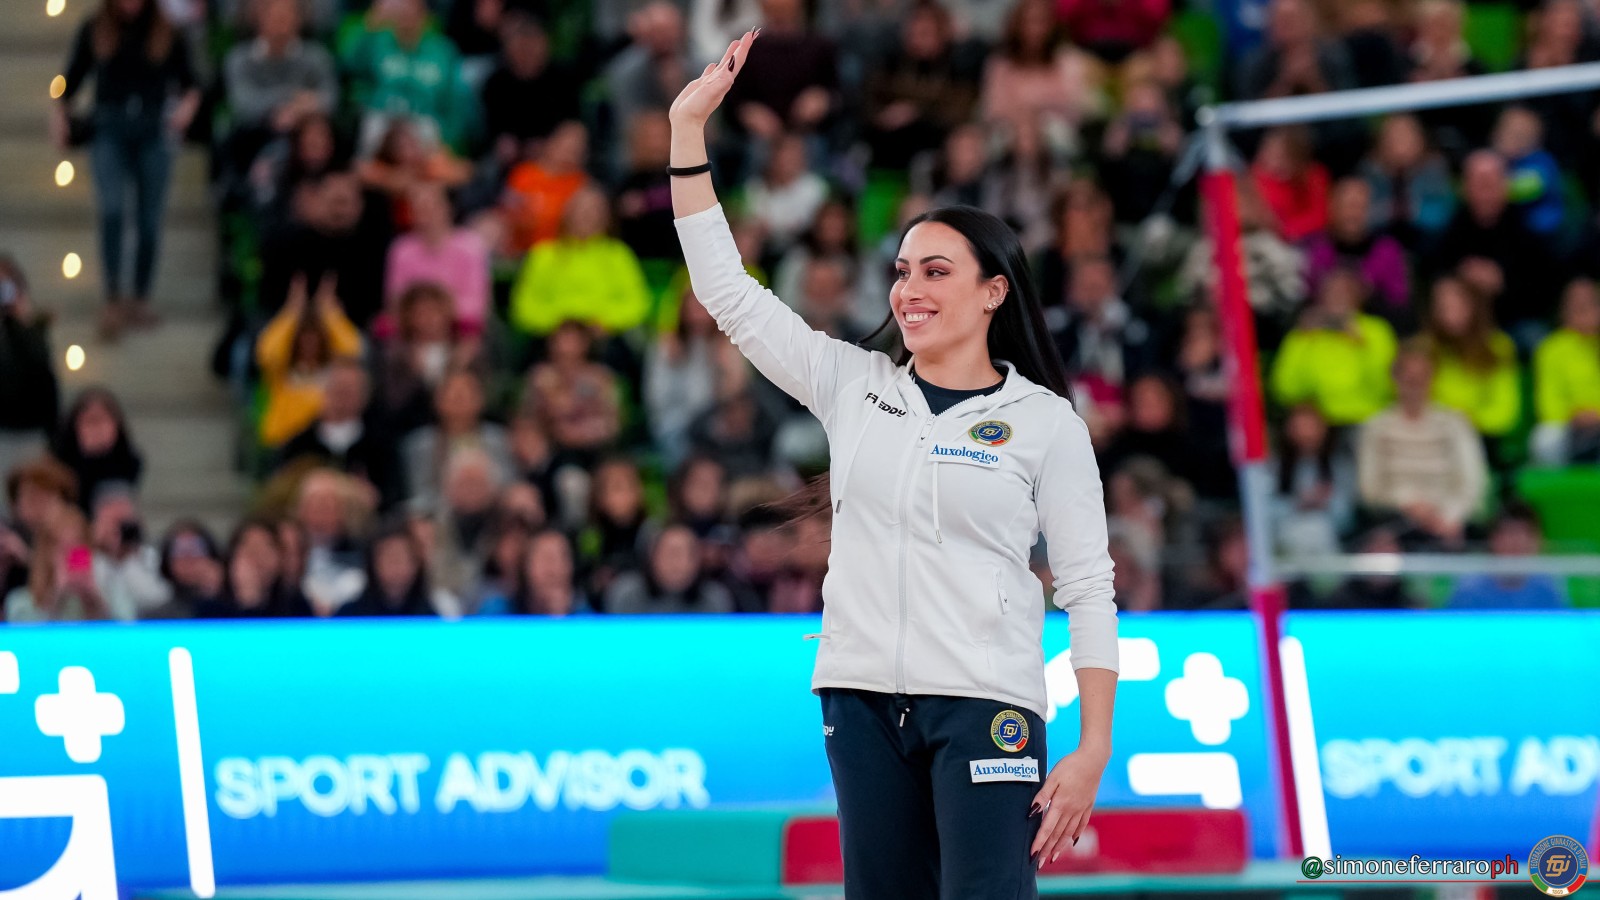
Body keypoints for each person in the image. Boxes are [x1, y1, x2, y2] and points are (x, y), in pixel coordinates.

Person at [669, 32, 1117, 896]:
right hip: (859, 700)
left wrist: (1093, 747)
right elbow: (727, 293)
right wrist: (688, 133)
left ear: (993, 292)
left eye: (937, 272)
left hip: (988, 705)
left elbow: (1088, 587)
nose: (909, 289)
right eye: (903, 270)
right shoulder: (851, 384)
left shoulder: (1046, 423)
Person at [54, 0, 202, 339]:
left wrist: (185, 110)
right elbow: (70, 79)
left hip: (153, 130)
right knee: (112, 210)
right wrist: (59, 112)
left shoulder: (168, 31)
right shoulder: (95, 29)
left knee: (149, 219)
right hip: (109, 128)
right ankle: (112, 296)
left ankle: (140, 295)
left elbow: (191, 83)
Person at [1356, 344, 1487, 549]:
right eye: (1409, 379)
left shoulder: (1455, 424)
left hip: (1447, 521)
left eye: (1421, 378)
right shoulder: (1375, 427)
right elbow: (1369, 488)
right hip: (1393, 519)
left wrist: (1449, 515)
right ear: (1395, 379)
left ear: (1432, 379)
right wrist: (1409, 504)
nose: (1415, 385)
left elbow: (1472, 482)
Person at [0, 257, 61, 480]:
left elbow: (43, 380)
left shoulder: (32, 330)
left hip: (30, 433)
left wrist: (23, 323)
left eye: (5, 287)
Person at [1447, 504, 1568, 610]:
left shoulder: (1548, 587)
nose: (1517, 542)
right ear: (1493, 539)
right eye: (1509, 532)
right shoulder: (1470, 589)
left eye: (1525, 533)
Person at [51, 387, 144, 513]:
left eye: (102, 420)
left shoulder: (129, 461)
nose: (96, 429)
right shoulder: (58, 464)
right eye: (90, 421)